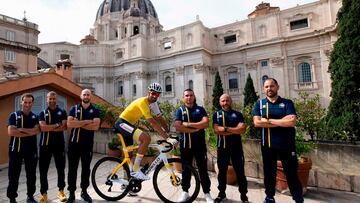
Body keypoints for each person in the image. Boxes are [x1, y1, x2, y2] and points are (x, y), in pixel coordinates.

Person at [253, 78, 304, 203]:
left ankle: (298, 199)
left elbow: (291, 121)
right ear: (264, 89)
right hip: (268, 144)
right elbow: (257, 123)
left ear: (277, 87)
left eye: (271, 86)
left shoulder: (287, 103)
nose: (269, 89)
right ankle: (269, 197)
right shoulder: (259, 104)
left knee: (291, 173)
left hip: (286, 145)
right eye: (266, 87)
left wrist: (269, 120)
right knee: (269, 174)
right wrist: (282, 121)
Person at [114, 82, 174, 181]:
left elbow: (160, 119)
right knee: (146, 138)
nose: (155, 96)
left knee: (129, 156)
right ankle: (136, 170)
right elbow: (153, 123)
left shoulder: (153, 104)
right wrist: (166, 138)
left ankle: (128, 182)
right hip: (122, 123)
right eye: (153, 93)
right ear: (148, 92)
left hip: (129, 125)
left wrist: (168, 132)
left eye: (157, 94)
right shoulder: (143, 102)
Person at [175, 89, 214, 203]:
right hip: (185, 145)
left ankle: (207, 193)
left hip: (199, 145)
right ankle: (185, 192)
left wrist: (188, 124)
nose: (189, 97)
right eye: (186, 95)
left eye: (191, 95)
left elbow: (206, 123)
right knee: (185, 169)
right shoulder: (180, 110)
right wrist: (195, 129)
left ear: (194, 97)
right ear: (183, 98)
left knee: (203, 170)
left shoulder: (200, 109)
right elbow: (178, 126)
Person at [212, 94, 249, 203]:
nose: (225, 103)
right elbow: (216, 130)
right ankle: (221, 194)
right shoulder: (217, 114)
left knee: (240, 172)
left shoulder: (238, 114)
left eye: (227, 100)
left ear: (231, 101)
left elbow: (242, 129)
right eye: (223, 101)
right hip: (222, 148)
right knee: (222, 172)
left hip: (236, 148)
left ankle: (244, 196)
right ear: (220, 102)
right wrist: (234, 130)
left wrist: (225, 129)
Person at [66, 89, 100, 203]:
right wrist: (87, 122)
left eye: (88, 94)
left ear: (91, 96)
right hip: (74, 144)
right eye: (84, 94)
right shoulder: (74, 109)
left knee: (86, 169)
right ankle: (71, 193)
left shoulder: (95, 110)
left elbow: (95, 126)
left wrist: (79, 123)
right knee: (72, 169)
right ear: (81, 96)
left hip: (87, 145)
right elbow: (69, 124)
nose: (86, 96)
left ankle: (84, 192)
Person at [7, 93, 40, 203]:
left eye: (29, 102)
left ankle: (30, 196)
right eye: (25, 102)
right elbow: (11, 131)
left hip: (31, 151)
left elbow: (37, 131)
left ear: (32, 103)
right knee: (13, 176)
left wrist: (21, 130)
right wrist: (30, 132)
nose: (27, 104)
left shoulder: (35, 117)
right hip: (15, 150)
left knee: (31, 176)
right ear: (21, 102)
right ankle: (12, 198)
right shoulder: (14, 115)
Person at [38, 91, 68, 203]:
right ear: (47, 99)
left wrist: (49, 127)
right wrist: (56, 125)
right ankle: (44, 194)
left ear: (57, 99)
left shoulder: (62, 111)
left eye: (54, 99)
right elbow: (43, 128)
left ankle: (61, 191)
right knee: (43, 170)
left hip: (59, 145)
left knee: (61, 169)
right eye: (50, 99)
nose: (52, 101)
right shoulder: (42, 112)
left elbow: (64, 127)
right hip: (45, 145)